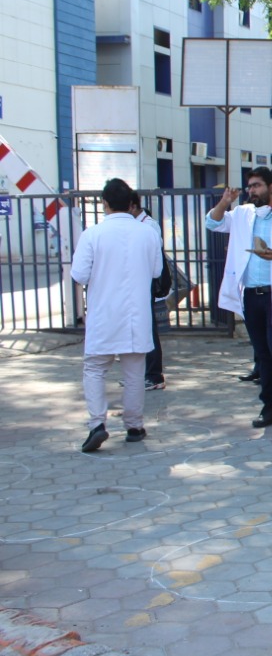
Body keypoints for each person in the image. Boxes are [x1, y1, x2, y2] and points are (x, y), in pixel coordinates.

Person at [206, 167, 272, 430]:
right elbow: (213, 222)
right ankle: (270, 407)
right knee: (262, 352)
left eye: (257, 186)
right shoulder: (244, 214)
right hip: (251, 294)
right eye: (249, 187)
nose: (252, 191)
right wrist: (224, 202)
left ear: (271, 187)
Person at [71, 178, 163, 451]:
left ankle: (97, 424)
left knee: (95, 369)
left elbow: (79, 274)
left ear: (105, 204)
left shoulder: (92, 234)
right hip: (136, 315)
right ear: (131, 203)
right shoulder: (147, 233)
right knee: (135, 372)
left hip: (104, 314)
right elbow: (157, 272)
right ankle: (134, 426)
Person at [128, 191, 167, 391]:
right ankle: (141, 373)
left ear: (133, 206)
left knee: (148, 328)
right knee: (137, 327)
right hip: (137, 281)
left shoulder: (149, 225)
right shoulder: (136, 225)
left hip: (146, 281)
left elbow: (154, 257)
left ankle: (154, 374)